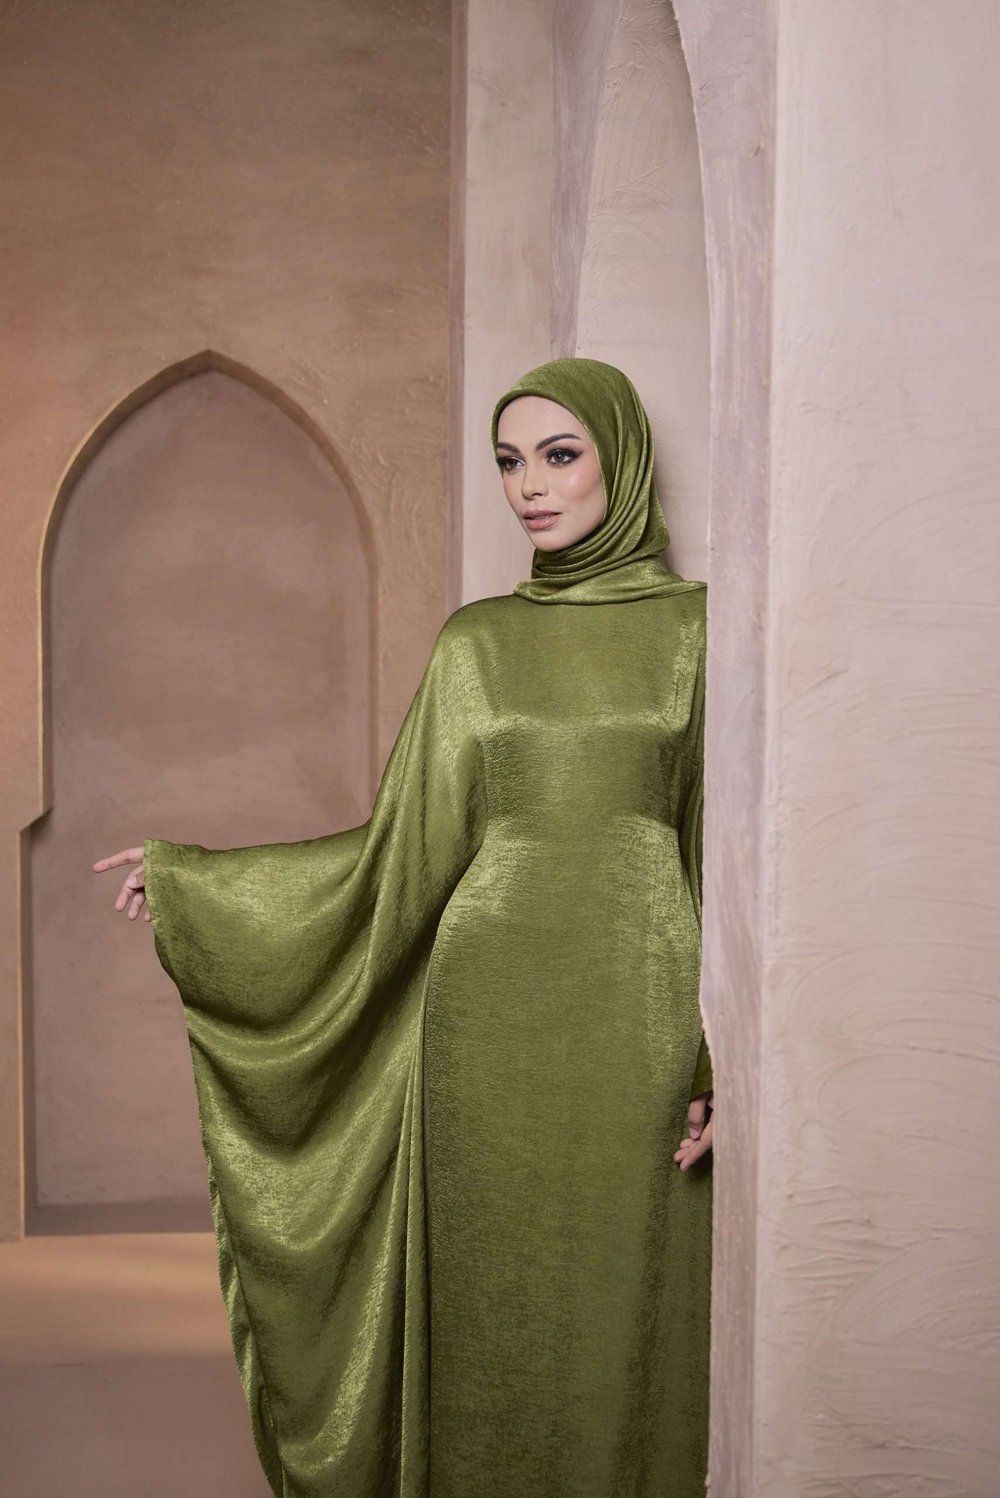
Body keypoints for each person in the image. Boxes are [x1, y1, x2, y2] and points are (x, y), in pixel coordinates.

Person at [93, 356, 715, 1498]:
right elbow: (399, 852)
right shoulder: (476, 643)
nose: (530, 486)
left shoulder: (700, 633)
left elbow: (717, 852)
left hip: (641, 1015)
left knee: (629, 1298)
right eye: (510, 463)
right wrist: (198, 886)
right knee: (494, 1305)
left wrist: (717, 1059)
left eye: (559, 455)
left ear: (621, 460)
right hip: (486, 1017)